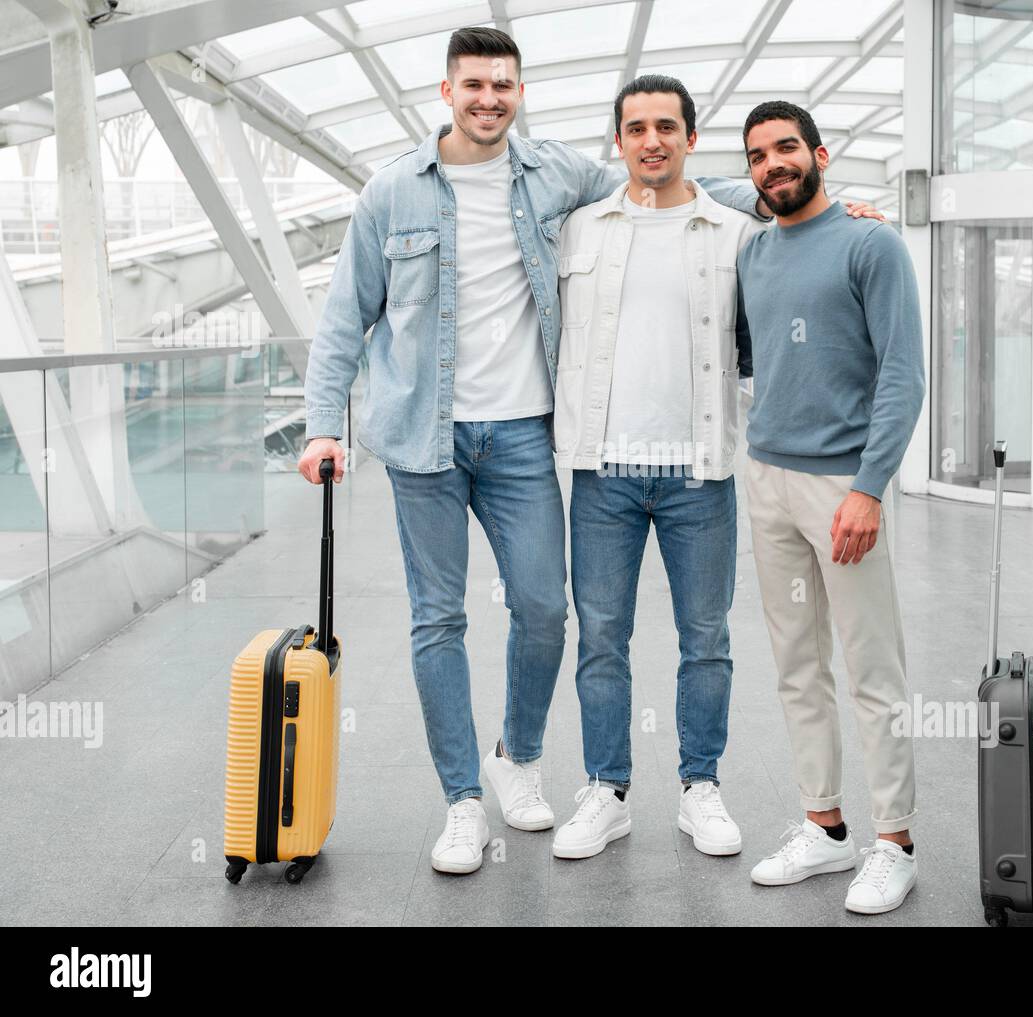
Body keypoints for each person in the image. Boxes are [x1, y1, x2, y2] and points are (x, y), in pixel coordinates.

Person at [297, 27, 769, 876]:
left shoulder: (556, 174)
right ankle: (462, 803)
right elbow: (343, 316)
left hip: (522, 433)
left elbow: (663, 180)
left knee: (546, 608)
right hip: (422, 441)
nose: (489, 100)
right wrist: (323, 422)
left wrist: (784, 195)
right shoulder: (391, 192)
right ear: (446, 92)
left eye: (503, 86)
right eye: (473, 85)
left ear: (521, 93)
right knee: (438, 617)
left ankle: (516, 755)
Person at [547, 75, 767, 860]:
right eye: (636, 127)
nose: (652, 140)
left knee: (705, 637)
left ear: (690, 138)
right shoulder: (579, 230)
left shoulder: (734, 231)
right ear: (618, 141)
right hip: (601, 469)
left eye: (666, 126)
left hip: (701, 472)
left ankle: (699, 786)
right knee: (602, 634)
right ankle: (606, 789)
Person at [737, 101, 926, 915]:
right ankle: (825, 825)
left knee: (871, 669)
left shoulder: (870, 241)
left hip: (842, 487)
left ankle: (896, 842)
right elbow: (698, 187)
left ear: (819, 153)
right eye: (757, 157)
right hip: (767, 482)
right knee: (797, 668)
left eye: (787, 149)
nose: (773, 165)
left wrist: (868, 486)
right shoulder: (752, 250)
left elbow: (903, 374)